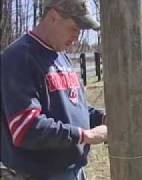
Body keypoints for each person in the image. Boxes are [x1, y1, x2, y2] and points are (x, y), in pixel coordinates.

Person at [0, 0, 108, 179]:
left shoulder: (61, 56)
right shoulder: (19, 58)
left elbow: (72, 107)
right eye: (74, 28)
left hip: (74, 170)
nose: (77, 37)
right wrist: (84, 135)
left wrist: (100, 117)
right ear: (53, 17)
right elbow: (26, 128)